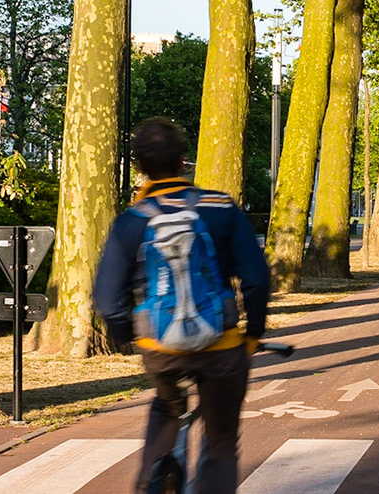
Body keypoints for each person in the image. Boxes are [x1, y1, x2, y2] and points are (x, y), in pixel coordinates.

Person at [95, 118, 270, 494]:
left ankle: (153, 478)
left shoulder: (131, 221)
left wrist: (129, 336)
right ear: (183, 161)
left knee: (167, 406)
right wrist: (253, 333)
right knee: (221, 443)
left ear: (140, 166)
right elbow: (257, 278)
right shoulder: (220, 207)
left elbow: (107, 301)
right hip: (222, 348)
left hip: (162, 349)